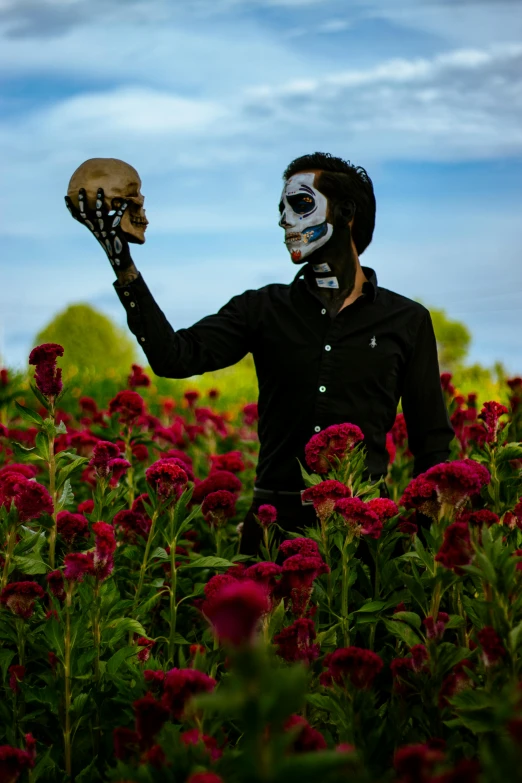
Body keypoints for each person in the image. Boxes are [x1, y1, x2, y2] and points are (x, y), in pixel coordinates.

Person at [65, 151, 454, 555]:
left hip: (366, 537)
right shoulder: (261, 309)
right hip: (273, 531)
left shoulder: (406, 320)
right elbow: (175, 357)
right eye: (281, 208)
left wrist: (420, 548)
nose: (284, 219)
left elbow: (431, 442)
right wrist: (121, 262)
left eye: (300, 204)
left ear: (346, 212)